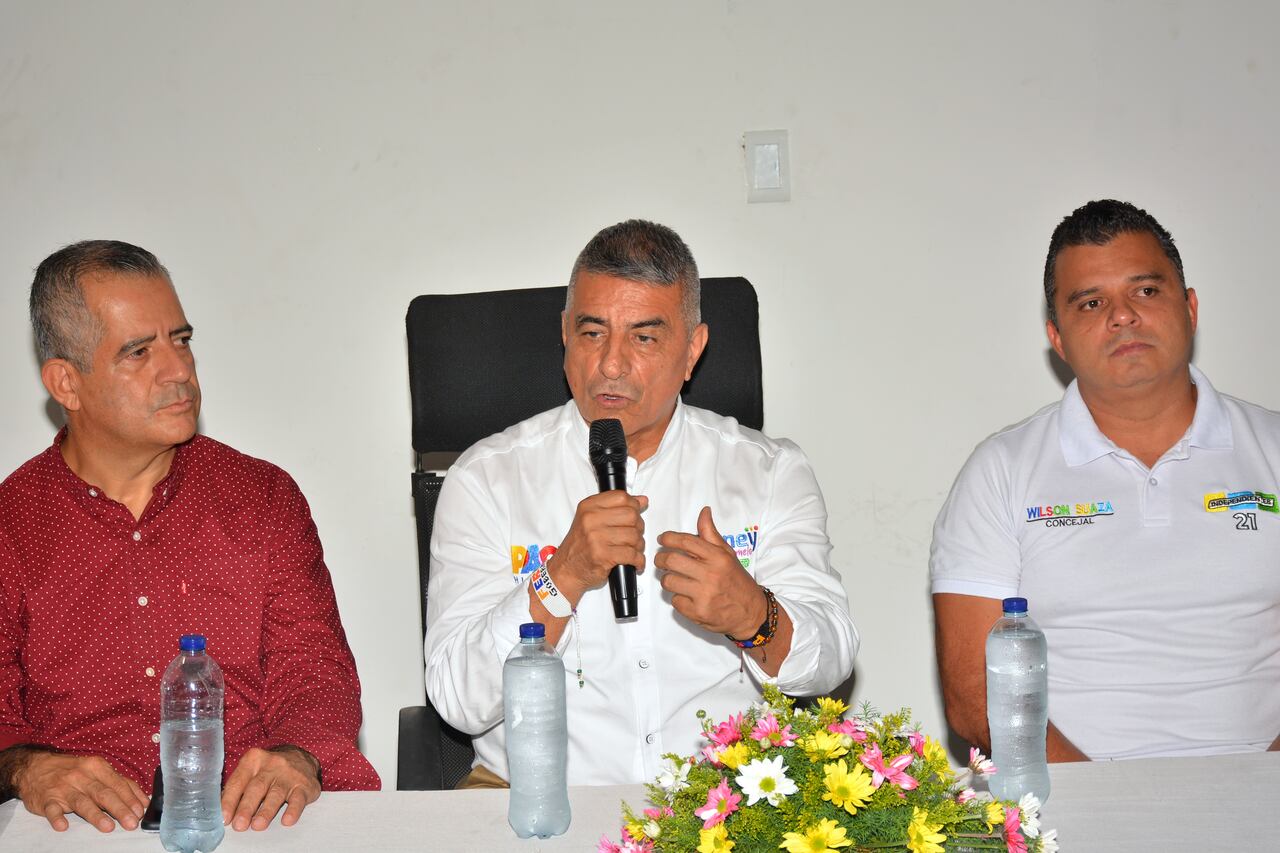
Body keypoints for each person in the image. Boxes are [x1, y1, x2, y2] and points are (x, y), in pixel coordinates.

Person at [425, 219, 858, 786]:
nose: (611, 364)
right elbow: (460, 700)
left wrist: (753, 615)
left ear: (693, 350)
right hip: (531, 798)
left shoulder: (769, 472)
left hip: (723, 803)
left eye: (644, 337)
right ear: (564, 334)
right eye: (592, 333)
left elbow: (830, 661)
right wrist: (563, 577)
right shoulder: (485, 479)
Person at [0, 241, 380, 834]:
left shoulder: (260, 496)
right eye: (138, 352)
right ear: (66, 384)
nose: (178, 370)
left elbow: (316, 673)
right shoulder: (13, 523)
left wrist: (295, 755)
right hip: (76, 832)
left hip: (250, 825)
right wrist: (27, 769)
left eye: (181, 340)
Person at [931, 199, 1280, 762]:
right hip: (1073, 813)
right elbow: (977, 700)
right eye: (1091, 303)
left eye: (1145, 291)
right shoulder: (1001, 471)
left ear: (1190, 308)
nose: (1123, 316)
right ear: (1059, 338)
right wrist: (1111, 811)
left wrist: (1253, 801)